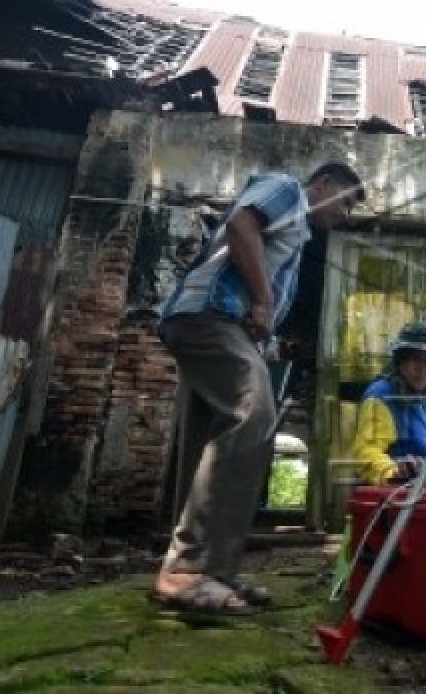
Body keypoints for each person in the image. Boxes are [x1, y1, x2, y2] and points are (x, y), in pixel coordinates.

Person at [152, 161, 364, 616]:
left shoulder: (300, 236)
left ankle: (210, 569)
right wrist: (264, 301)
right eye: (345, 201)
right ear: (323, 184)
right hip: (209, 315)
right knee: (255, 413)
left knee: (209, 436)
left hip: (214, 323)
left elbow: (257, 300)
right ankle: (189, 569)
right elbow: (241, 224)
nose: (345, 214)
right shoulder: (287, 190)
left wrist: (270, 345)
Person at [352, 322, 426, 484]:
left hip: (424, 489)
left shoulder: (424, 402)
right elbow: (366, 452)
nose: (422, 368)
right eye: (415, 359)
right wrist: (394, 471)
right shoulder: (380, 396)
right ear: (400, 361)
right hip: (391, 496)